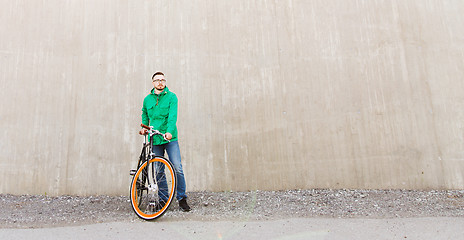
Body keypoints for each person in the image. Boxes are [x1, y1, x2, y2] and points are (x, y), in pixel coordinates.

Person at [140, 71, 191, 212]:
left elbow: (172, 117)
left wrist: (168, 132)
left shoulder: (172, 97)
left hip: (169, 138)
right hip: (155, 138)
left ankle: (182, 198)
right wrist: (144, 127)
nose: (160, 82)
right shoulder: (147, 99)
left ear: (165, 82)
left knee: (177, 167)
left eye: (162, 80)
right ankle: (163, 199)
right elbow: (144, 113)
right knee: (158, 170)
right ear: (153, 83)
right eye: (157, 80)